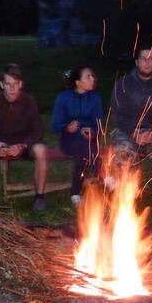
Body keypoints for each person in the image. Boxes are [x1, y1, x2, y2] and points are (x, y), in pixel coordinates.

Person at [0, 63, 48, 210]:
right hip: (0, 145)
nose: (12, 88)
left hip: (23, 144)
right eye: (8, 84)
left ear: (21, 84)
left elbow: (38, 131)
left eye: (16, 84)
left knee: (41, 150)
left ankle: (39, 197)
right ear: (2, 85)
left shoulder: (29, 101)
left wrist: (22, 145)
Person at [110, 45, 152, 205]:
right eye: (144, 58)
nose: (147, 62)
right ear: (137, 62)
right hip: (126, 130)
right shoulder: (123, 83)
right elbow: (117, 114)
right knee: (124, 149)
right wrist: (133, 132)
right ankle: (124, 192)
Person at [51, 66, 103, 206]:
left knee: (83, 148)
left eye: (93, 76)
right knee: (82, 145)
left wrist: (92, 131)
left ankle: (75, 193)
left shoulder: (95, 98)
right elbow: (55, 124)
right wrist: (67, 127)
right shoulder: (63, 98)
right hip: (69, 140)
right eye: (88, 76)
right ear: (78, 82)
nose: (93, 79)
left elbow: (99, 123)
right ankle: (103, 174)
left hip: (90, 140)